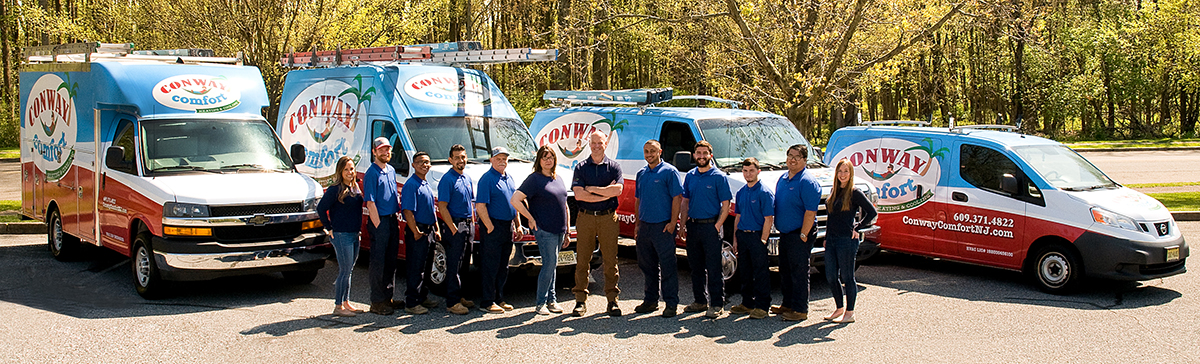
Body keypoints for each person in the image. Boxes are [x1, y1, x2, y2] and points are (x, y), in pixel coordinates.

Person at [570, 131, 624, 317]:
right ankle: (580, 301)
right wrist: (604, 192)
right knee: (582, 260)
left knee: (611, 261)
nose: (596, 146)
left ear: (606, 143)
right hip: (585, 218)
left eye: (599, 142)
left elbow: (617, 190)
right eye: (593, 143)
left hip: (608, 218)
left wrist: (592, 189)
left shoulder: (614, 167)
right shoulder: (581, 167)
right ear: (589, 144)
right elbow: (579, 195)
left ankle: (612, 301)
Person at [512, 145, 570, 315]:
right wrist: (529, 218)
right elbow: (515, 199)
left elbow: (564, 204)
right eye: (544, 157)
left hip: (559, 229)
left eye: (551, 157)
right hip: (544, 230)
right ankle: (540, 303)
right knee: (549, 265)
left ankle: (552, 301)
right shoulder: (534, 179)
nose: (548, 160)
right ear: (539, 160)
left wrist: (567, 229)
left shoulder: (557, 178)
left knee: (553, 265)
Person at [679, 140, 732, 319]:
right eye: (698, 153)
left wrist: (717, 225)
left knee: (714, 267)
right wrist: (683, 224)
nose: (701, 157)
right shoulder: (691, 176)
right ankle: (699, 301)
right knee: (696, 267)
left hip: (711, 227)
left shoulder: (719, 177)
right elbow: (685, 202)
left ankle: (717, 303)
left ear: (710, 155)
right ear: (694, 155)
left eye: (705, 153)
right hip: (693, 226)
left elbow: (726, 205)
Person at [632, 140, 683, 318]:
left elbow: (677, 198)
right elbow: (638, 200)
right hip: (645, 227)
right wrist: (637, 224)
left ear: (660, 151)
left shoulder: (669, 172)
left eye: (652, 151)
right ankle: (650, 300)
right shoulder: (642, 173)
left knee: (668, 266)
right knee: (647, 266)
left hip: (663, 227)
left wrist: (672, 222)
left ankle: (671, 303)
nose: (649, 154)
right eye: (646, 151)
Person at [824, 158, 877, 324]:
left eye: (846, 171)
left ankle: (849, 312)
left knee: (847, 276)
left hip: (846, 240)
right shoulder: (834, 190)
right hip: (831, 239)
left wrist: (858, 228)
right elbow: (831, 217)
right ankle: (839, 308)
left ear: (851, 173)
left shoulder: (855, 192)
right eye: (840, 171)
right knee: (831, 276)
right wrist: (826, 237)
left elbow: (871, 212)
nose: (842, 174)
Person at [773, 144, 821, 321]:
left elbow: (810, 212)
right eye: (790, 155)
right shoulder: (783, 178)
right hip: (785, 233)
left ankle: (800, 309)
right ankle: (787, 304)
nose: (792, 159)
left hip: (800, 234)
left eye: (797, 157)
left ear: (805, 160)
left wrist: (803, 234)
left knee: (799, 272)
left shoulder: (807, 181)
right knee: (785, 270)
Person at [316, 156, 365, 317]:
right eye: (346, 170)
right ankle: (338, 306)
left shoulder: (355, 188)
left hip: (354, 234)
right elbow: (321, 208)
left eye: (351, 169)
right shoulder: (335, 189)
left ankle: (346, 302)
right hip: (341, 234)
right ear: (340, 171)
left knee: (349, 270)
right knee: (344, 270)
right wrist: (328, 228)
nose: (350, 172)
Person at [729, 158, 774, 320]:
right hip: (743, 235)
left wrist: (763, 240)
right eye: (745, 171)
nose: (748, 174)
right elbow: (737, 216)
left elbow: (769, 218)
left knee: (760, 272)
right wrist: (735, 238)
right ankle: (747, 303)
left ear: (758, 171)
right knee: (745, 272)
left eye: (751, 171)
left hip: (757, 236)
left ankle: (762, 306)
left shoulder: (764, 192)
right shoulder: (741, 192)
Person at [476, 146, 519, 314]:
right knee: (490, 265)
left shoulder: (509, 178)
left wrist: (517, 223)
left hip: (508, 226)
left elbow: (514, 203)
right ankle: (487, 301)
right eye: (498, 158)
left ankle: (499, 298)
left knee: (503, 266)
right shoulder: (486, 179)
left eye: (504, 159)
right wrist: (490, 226)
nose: (502, 161)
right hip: (493, 226)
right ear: (491, 160)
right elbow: (481, 206)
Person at [437, 144, 476, 315]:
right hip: (456, 225)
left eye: (463, 157)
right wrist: (452, 228)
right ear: (450, 160)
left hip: (468, 224)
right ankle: (452, 301)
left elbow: (471, 204)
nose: (461, 160)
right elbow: (442, 206)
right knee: (454, 264)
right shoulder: (447, 179)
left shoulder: (466, 178)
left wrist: (473, 223)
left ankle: (461, 296)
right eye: (457, 157)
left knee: (465, 263)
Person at [400, 152, 440, 315]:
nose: (425, 165)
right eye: (421, 162)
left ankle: (422, 297)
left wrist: (436, 228)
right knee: (416, 267)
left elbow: (431, 209)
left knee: (427, 266)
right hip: (418, 230)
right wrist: (415, 231)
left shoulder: (425, 183)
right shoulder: (411, 184)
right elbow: (408, 211)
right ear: (413, 165)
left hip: (429, 229)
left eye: (427, 162)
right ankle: (412, 302)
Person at [365, 137, 402, 315]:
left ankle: (388, 297)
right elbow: (370, 203)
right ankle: (377, 301)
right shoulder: (371, 173)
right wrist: (378, 225)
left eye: (387, 149)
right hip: (380, 220)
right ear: (374, 152)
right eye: (381, 149)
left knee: (391, 261)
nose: (385, 152)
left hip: (392, 219)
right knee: (378, 262)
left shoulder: (391, 170)